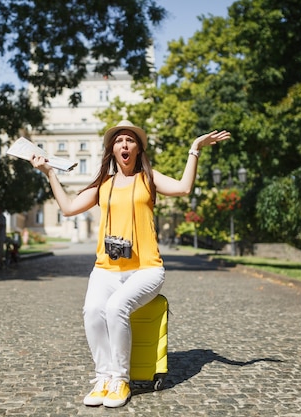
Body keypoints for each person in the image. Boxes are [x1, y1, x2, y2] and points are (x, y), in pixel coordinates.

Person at [30, 120, 230, 408]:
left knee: (116, 308)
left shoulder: (149, 178)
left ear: (138, 148)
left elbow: (184, 188)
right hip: (106, 269)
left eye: (130, 140)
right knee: (93, 310)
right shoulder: (103, 185)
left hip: (146, 269)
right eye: (119, 140)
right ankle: (103, 377)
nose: (124, 145)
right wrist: (49, 172)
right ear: (112, 149)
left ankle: (120, 379)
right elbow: (68, 208)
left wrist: (194, 149)